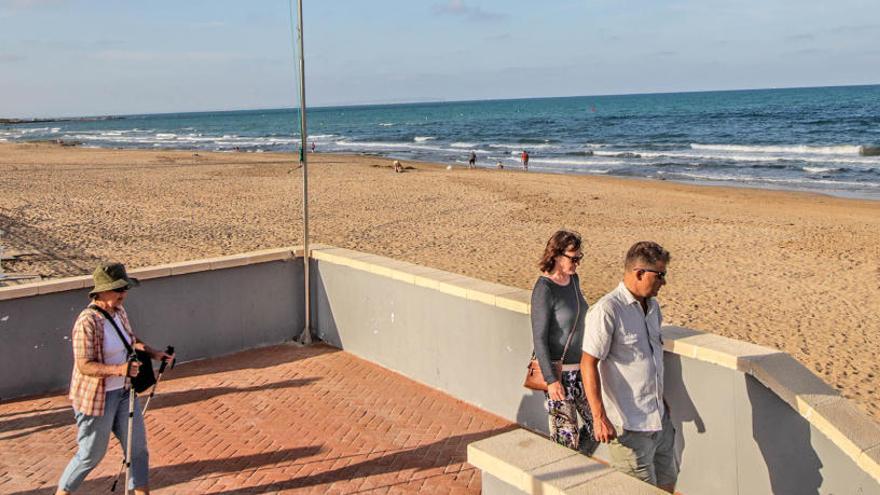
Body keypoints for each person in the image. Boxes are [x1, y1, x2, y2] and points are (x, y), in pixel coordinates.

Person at [56, 263, 173, 495]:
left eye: (125, 289)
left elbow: (129, 340)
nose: (123, 294)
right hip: (97, 399)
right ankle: (63, 492)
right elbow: (84, 365)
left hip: (124, 394)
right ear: (101, 291)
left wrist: (154, 352)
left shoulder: (119, 312)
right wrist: (120, 370)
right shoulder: (87, 322)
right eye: (118, 289)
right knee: (90, 454)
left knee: (138, 450)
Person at [581, 241, 677, 492]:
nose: (664, 282)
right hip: (629, 427)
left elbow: (649, 358)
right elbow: (588, 363)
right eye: (661, 275)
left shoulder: (653, 308)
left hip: (659, 420)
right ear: (639, 273)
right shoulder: (607, 310)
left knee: (667, 482)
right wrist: (599, 417)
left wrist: (661, 399)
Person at [530, 230, 596, 454]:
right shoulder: (544, 289)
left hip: (581, 371)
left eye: (580, 257)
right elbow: (539, 338)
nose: (577, 263)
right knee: (565, 438)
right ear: (556, 255)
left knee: (597, 424)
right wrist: (551, 380)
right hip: (558, 373)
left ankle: (579, 461)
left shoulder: (573, 280)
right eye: (573, 258)